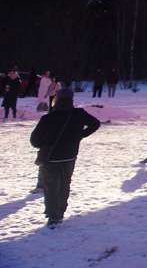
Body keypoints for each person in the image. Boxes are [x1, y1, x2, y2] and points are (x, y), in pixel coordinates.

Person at [30, 88, 100, 228]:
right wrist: (81, 135)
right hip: (70, 157)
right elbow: (95, 123)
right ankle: (60, 212)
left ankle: (52, 216)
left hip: (50, 159)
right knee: (64, 184)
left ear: (57, 99)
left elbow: (35, 141)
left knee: (50, 187)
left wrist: (44, 144)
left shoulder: (48, 118)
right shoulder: (79, 114)